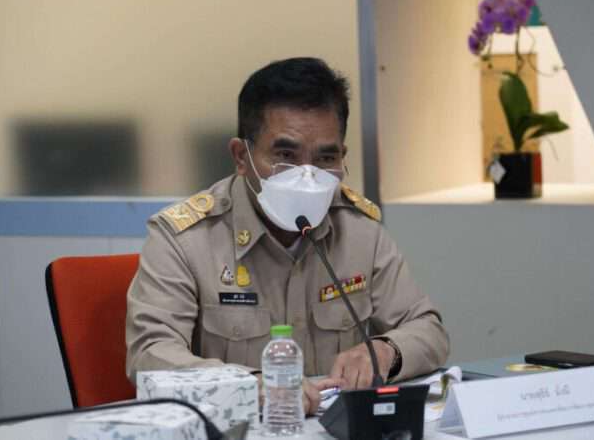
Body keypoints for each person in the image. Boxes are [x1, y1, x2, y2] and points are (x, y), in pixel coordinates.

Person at [126, 57, 450, 415]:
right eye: (285, 156)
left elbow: (427, 329)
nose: (306, 176)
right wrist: (249, 385)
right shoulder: (185, 239)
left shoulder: (360, 230)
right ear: (241, 156)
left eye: (325, 158)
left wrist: (386, 351)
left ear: (342, 157)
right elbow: (150, 354)